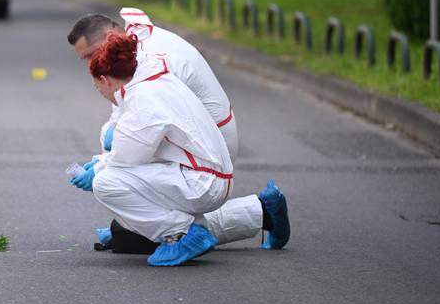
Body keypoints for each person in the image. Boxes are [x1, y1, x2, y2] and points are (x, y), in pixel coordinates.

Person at [69, 31, 290, 266]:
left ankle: (181, 235)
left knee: (106, 185)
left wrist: (98, 169)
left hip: (202, 181)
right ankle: (260, 211)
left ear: (105, 80)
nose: (102, 94)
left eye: (97, 88)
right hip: (207, 173)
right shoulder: (153, 77)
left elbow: (127, 157)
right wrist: (102, 161)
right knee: (132, 227)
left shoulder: (143, 97)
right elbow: (137, 147)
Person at [68, 8, 238, 160]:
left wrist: (105, 165)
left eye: (91, 55)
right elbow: (123, 109)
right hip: (203, 137)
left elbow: (149, 117)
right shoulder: (134, 46)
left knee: (113, 179)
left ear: (110, 36)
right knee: (113, 139)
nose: (90, 65)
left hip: (212, 146)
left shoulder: (147, 55)